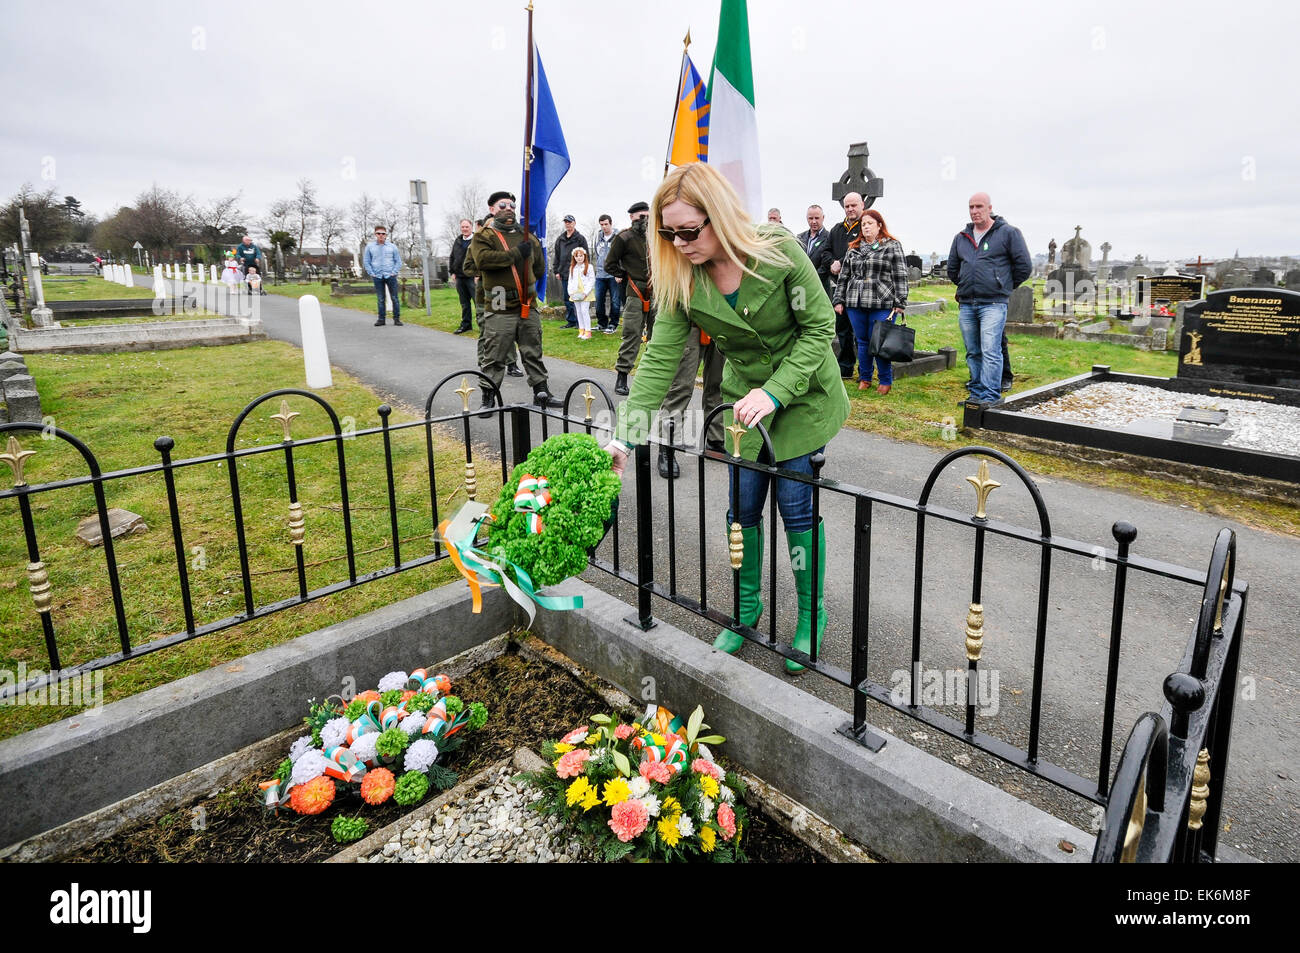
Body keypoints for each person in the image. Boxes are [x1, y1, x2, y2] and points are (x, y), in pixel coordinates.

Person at [605, 163, 849, 674]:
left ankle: (811, 615)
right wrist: (623, 439)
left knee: (795, 505)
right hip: (742, 406)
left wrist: (777, 392)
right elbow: (658, 362)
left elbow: (820, 326)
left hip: (801, 395)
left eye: (689, 231)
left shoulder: (777, 249)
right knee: (741, 508)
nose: (680, 243)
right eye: (669, 234)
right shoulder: (683, 277)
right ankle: (746, 610)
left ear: (718, 216)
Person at [467, 190, 562, 409]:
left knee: (533, 351)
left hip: (526, 304)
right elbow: (483, 261)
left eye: (511, 205)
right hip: (499, 304)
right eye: (502, 205)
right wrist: (517, 254)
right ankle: (488, 398)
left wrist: (525, 274)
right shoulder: (484, 236)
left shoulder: (527, 236)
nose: (508, 208)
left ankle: (542, 393)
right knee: (495, 355)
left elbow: (538, 267)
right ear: (492, 209)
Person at [946, 192, 1031, 407]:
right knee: (973, 351)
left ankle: (991, 397)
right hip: (967, 303)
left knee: (991, 350)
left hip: (993, 303)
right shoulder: (961, 237)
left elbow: (1023, 266)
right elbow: (953, 269)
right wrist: (965, 285)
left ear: (989, 208)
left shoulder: (1008, 233)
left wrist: (1002, 286)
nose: (975, 211)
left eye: (979, 206)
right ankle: (975, 393)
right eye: (971, 207)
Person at [832, 209, 908, 394]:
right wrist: (839, 299)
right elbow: (844, 276)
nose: (866, 227)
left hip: (882, 301)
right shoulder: (853, 248)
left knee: (880, 342)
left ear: (879, 225)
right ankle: (864, 377)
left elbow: (900, 274)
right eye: (863, 224)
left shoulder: (891, 245)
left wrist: (900, 301)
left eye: (870, 224)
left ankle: (885, 380)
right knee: (863, 341)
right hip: (855, 302)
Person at [605, 201, 654, 397]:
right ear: (632, 217)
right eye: (640, 216)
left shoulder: (658, 236)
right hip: (635, 291)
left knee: (657, 336)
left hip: (658, 291)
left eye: (647, 215)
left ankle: (652, 378)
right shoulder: (623, 237)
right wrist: (625, 276)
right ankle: (622, 376)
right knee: (632, 334)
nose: (644, 219)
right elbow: (609, 264)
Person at [820, 193, 864, 377]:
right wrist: (831, 263)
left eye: (854, 205)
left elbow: (862, 251)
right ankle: (845, 368)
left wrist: (841, 262)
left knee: (861, 333)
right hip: (840, 288)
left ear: (862, 205)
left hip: (860, 288)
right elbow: (825, 251)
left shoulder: (866, 226)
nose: (850, 209)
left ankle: (865, 370)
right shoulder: (837, 229)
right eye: (847, 206)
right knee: (843, 330)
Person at [552, 215, 588, 329]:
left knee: (578, 297)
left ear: (574, 223)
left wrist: (584, 270)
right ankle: (571, 320)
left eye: (570, 222)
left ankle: (580, 321)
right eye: (566, 222)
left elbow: (586, 255)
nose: (568, 224)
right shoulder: (560, 239)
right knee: (567, 298)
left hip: (577, 273)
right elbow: (557, 256)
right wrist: (556, 270)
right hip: (564, 272)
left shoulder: (580, 238)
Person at [363, 224, 403, 326]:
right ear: (375, 234)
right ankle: (381, 319)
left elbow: (398, 261)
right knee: (380, 298)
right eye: (378, 233)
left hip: (390, 275)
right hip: (378, 276)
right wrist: (372, 273)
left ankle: (397, 319)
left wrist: (394, 272)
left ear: (386, 235)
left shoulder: (392, 247)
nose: (381, 235)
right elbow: (367, 261)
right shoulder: (370, 247)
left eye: (383, 234)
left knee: (394, 298)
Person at [592, 214, 622, 334]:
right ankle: (601, 323)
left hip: (614, 275)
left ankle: (613, 324)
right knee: (599, 300)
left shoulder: (618, 237)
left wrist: (619, 273)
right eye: (602, 224)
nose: (604, 227)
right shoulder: (597, 237)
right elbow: (597, 253)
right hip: (600, 275)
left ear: (611, 223)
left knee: (615, 300)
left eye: (606, 224)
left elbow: (621, 256)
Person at [796, 205, 832, 295]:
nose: (814, 221)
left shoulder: (829, 237)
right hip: (801, 288)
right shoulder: (800, 237)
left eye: (817, 218)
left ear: (823, 218)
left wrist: (811, 279)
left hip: (821, 288)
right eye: (810, 218)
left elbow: (826, 265)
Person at [449, 218, 476, 334]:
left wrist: (478, 274)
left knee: (478, 302)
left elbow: (479, 258)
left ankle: (484, 326)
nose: (465, 229)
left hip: (472, 277)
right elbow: (452, 257)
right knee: (464, 303)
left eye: (467, 227)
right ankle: (466, 325)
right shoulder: (458, 241)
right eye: (463, 227)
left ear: (471, 228)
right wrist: (452, 272)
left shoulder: (476, 240)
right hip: (460, 277)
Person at [568, 246, 597, 339]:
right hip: (576, 293)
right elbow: (570, 281)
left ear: (584, 256)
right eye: (577, 256)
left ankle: (588, 331)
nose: (579, 258)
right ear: (574, 257)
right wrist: (571, 292)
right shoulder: (573, 268)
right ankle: (582, 330)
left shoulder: (589, 267)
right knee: (579, 311)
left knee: (584, 311)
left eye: (581, 256)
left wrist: (586, 292)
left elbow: (591, 280)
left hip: (585, 293)